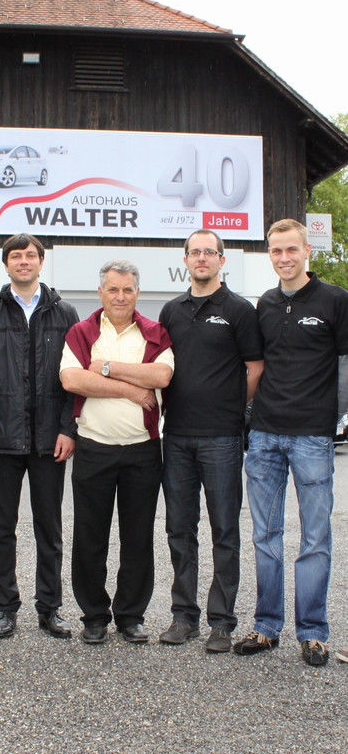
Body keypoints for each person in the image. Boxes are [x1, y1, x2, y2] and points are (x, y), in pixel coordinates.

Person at [233, 219, 348, 666]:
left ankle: (313, 632)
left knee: (315, 537)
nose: (284, 258)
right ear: (270, 254)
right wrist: (249, 418)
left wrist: (332, 418)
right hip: (264, 436)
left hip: (311, 437)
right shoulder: (265, 303)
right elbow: (257, 365)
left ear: (307, 251)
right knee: (266, 535)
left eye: (291, 249)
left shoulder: (335, 299)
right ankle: (266, 627)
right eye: (276, 250)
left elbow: (345, 364)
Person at [158, 230, 264, 651]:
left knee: (224, 530)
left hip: (222, 437)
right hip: (177, 437)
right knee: (179, 530)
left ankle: (222, 622)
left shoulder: (239, 310)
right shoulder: (171, 311)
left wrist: (232, 408)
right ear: (185, 259)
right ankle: (184, 617)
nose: (202, 258)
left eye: (209, 252)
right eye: (195, 252)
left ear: (222, 260)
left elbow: (255, 367)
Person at [60, 260, 174, 644]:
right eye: (113, 289)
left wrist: (105, 367)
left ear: (137, 293)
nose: (120, 296)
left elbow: (160, 376)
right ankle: (94, 616)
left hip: (143, 451)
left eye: (127, 289)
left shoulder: (155, 333)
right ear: (100, 293)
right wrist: (130, 388)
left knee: (138, 537)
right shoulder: (82, 332)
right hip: (94, 449)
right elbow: (72, 378)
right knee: (89, 536)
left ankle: (130, 615)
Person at [0, 234, 78, 639]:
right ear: (6, 264)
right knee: (3, 529)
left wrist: (68, 429)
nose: (23, 261)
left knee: (50, 529)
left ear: (41, 262)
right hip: (2, 441)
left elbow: (74, 378)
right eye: (15, 256)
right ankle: (6, 608)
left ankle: (50, 608)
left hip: (50, 441)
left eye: (30, 255)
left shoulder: (64, 313)